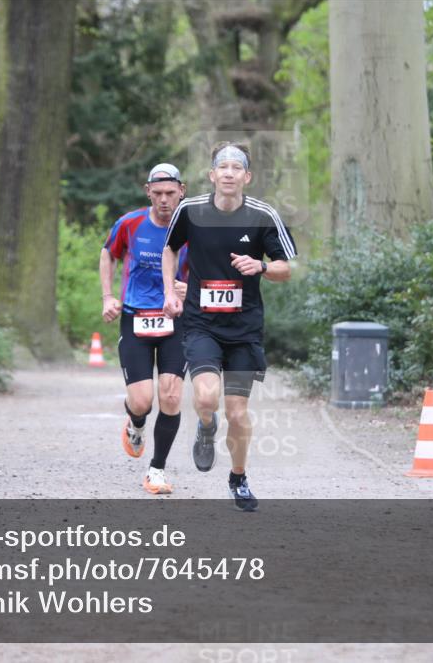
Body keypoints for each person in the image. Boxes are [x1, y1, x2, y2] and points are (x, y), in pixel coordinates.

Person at [162, 142, 296, 511]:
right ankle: (206, 426)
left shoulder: (262, 215)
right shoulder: (190, 211)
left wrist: (263, 267)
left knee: (237, 412)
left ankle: (238, 478)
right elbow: (170, 249)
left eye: (237, 168)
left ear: (246, 177)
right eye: (223, 167)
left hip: (244, 330)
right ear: (212, 175)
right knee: (206, 397)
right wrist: (168, 291)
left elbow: (289, 266)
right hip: (201, 324)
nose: (229, 172)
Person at [100, 163, 189, 494]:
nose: (164, 200)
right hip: (136, 315)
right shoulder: (130, 223)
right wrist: (108, 296)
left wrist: (189, 291)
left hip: (178, 320)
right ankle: (136, 424)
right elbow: (108, 255)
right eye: (158, 193)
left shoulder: (194, 226)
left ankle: (157, 470)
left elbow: (211, 269)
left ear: (182, 190)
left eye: (170, 193)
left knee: (171, 395)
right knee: (142, 401)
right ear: (147, 192)